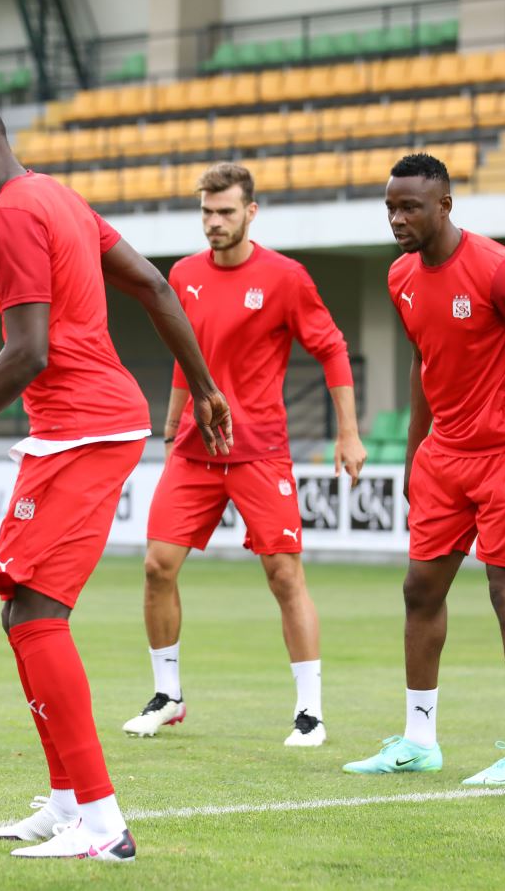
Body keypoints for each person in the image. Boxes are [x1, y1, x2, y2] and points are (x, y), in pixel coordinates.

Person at [0, 94, 231, 862]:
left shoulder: (12, 215)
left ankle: (104, 827)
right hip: (90, 424)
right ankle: (69, 802)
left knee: (37, 615)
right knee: (22, 612)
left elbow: (29, 351)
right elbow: (152, 284)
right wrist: (203, 386)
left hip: (82, 426)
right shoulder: (60, 198)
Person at [343, 153, 505, 785]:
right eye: (390, 206)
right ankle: (420, 741)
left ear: (444, 206)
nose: (396, 217)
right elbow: (426, 364)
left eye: (409, 206)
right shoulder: (400, 277)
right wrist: (414, 453)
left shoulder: (499, 270)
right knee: (419, 590)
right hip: (443, 457)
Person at [122, 163, 366, 747]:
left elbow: (332, 349)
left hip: (259, 452)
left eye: (226, 212)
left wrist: (348, 433)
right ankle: (168, 696)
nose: (214, 222)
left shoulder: (286, 277)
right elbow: (188, 352)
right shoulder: (181, 275)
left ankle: (310, 712)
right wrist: (174, 416)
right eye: (206, 212)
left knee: (284, 575)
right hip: (193, 450)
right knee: (157, 565)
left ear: (250, 213)